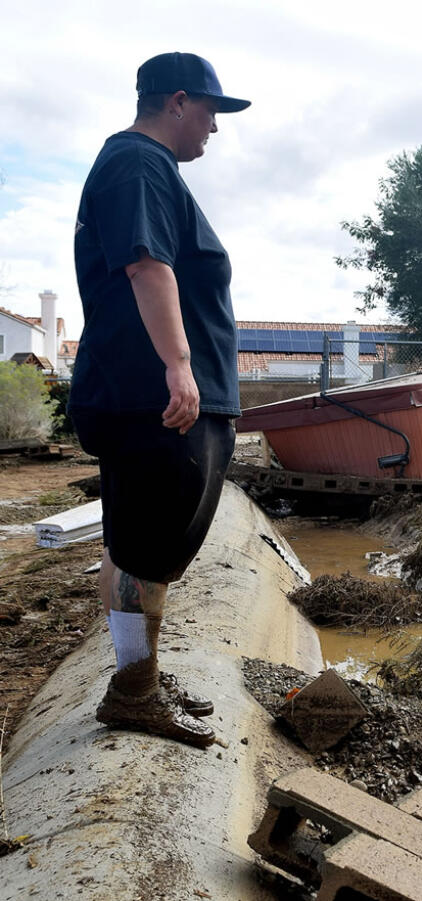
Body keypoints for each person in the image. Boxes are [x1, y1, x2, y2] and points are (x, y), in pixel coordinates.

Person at [68, 52, 250, 749]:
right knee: (148, 549)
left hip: (142, 396)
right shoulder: (140, 165)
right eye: (210, 110)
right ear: (176, 102)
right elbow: (147, 264)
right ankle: (134, 692)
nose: (214, 126)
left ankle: (136, 676)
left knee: (132, 540)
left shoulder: (142, 169)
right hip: (157, 401)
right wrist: (179, 365)